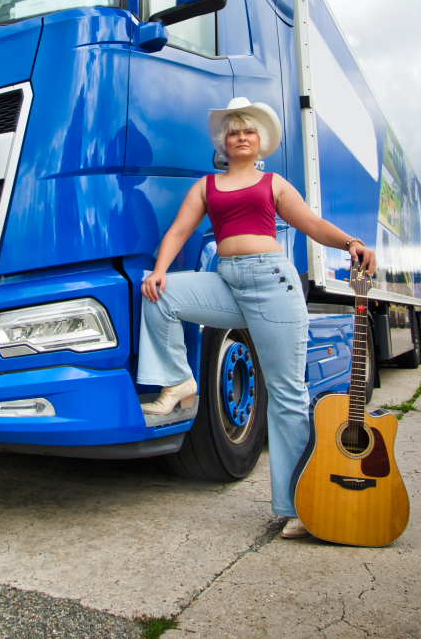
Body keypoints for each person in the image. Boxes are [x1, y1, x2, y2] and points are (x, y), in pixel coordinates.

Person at [137, 97, 376, 539]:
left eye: (248, 131)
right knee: (158, 296)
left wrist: (351, 243)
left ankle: (300, 505)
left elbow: (312, 224)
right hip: (227, 282)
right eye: (233, 132)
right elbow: (178, 231)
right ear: (223, 143)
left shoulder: (274, 184)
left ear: (259, 141)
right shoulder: (206, 187)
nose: (240, 137)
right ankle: (179, 381)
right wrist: (159, 270)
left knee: (287, 395)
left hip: (273, 285)